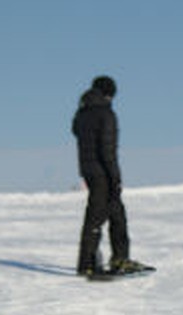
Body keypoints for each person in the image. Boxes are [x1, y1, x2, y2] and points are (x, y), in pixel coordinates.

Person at [72, 75, 147, 276]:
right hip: (103, 173)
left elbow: (77, 133)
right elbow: (108, 150)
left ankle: (120, 258)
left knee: (117, 213)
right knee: (96, 217)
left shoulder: (82, 113)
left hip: (88, 170)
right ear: (109, 94)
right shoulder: (106, 114)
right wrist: (115, 178)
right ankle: (86, 263)